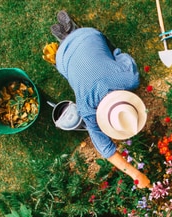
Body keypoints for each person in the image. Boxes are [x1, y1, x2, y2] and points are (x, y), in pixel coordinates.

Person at [46, 10, 151, 188]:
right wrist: (135, 174)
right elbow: (105, 148)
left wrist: (137, 174)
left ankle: (70, 34)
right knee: (77, 65)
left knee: (97, 51)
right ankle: (67, 36)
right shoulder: (85, 109)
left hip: (88, 36)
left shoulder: (130, 79)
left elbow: (121, 55)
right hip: (62, 60)